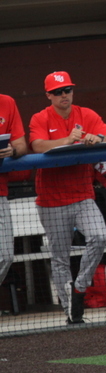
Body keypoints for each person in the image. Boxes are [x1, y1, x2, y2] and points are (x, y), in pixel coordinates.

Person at [29, 72, 106, 324]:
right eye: (58, 92)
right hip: (51, 199)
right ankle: (71, 312)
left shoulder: (85, 114)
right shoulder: (40, 117)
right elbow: (37, 145)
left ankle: (80, 285)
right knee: (59, 257)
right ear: (49, 95)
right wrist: (66, 140)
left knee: (99, 236)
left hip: (82, 194)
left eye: (67, 90)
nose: (64, 95)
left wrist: (96, 138)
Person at [0, 94, 28, 289]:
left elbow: (21, 145)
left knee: (5, 255)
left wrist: (11, 151)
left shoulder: (7, 102)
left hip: (0, 191)